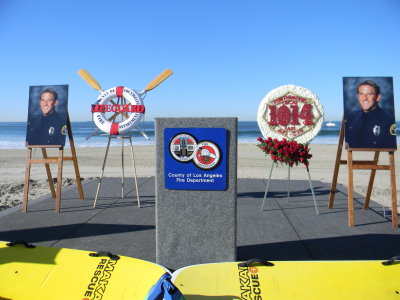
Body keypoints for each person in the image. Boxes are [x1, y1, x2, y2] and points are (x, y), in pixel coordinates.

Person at [344, 80, 396, 149]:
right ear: (358, 97)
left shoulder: (388, 120)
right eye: (361, 94)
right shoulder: (351, 117)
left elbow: (390, 147)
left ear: (377, 97)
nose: (365, 98)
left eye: (369, 94)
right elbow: (347, 143)